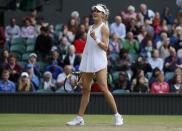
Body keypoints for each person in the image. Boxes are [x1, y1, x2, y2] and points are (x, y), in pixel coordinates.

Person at [66, 4, 123, 126]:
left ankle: (117, 116)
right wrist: (83, 65)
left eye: (98, 11)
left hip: (99, 61)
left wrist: (96, 38)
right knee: (86, 90)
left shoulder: (104, 28)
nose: (95, 12)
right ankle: (79, 118)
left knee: (104, 88)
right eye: (94, 11)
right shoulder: (90, 27)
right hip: (88, 61)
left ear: (103, 15)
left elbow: (106, 47)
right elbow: (88, 47)